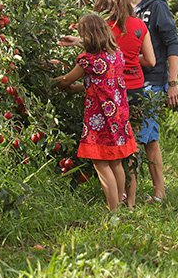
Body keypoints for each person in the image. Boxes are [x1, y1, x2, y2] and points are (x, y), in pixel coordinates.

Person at [60, 0, 155, 208]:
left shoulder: (96, 41)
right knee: (123, 156)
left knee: (102, 160)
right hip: (126, 97)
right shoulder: (135, 32)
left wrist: (54, 80)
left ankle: (113, 209)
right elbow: (150, 60)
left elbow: (76, 71)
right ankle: (128, 203)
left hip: (101, 110)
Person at [53, 13, 137, 212]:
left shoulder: (88, 61)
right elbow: (103, 83)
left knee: (100, 164)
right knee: (116, 161)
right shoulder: (116, 55)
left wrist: (49, 81)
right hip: (118, 117)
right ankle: (120, 205)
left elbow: (66, 80)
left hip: (100, 119)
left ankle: (113, 210)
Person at [111, 0, 178, 203]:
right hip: (129, 82)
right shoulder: (122, 11)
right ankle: (157, 192)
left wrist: (173, 82)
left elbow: (172, 42)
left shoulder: (156, 5)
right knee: (150, 138)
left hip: (153, 80)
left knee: (139, 136)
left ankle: (130, 194)